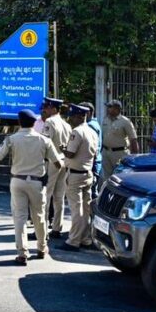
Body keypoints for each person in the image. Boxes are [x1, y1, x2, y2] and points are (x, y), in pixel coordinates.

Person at [0, 109, 64, 264]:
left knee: (20, 218)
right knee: (39, 217)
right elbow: (58, 164)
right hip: (37, 182)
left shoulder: (12, 139)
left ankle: (22, 252)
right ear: (34, 123)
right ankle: (42, 248)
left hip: (18, 181)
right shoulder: (44, 140)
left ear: (19, 122)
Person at [58, 104, 99, 251]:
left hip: (75, 174)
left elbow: (71, 153)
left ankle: (73, 241)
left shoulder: (77, 132)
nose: (71, 120)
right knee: (86, 209)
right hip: (87, 173)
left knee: (77, 209)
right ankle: (86, 239)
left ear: (79, 116)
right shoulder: (92, 131)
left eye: (72, 117)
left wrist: (63, 149)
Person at [40, 97, 71, 238]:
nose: (45, 109)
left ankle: (42, 229)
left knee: (45, 196)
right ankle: (57, 228)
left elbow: (45, 143)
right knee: (59, 197)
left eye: (47, 107)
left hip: (52, 162)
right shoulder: (66, 124)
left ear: (53, 108)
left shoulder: (50, 122)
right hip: (64, 161)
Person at [101, 100, 138, 182]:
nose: (108, 109)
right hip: (106, 152)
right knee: (107, 177)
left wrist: (134, 157)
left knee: (120, 176)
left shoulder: (125, 121)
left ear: (117, 109)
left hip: (119, 153)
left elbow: (133, 139)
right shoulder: (105, 119)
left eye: (110, 107)